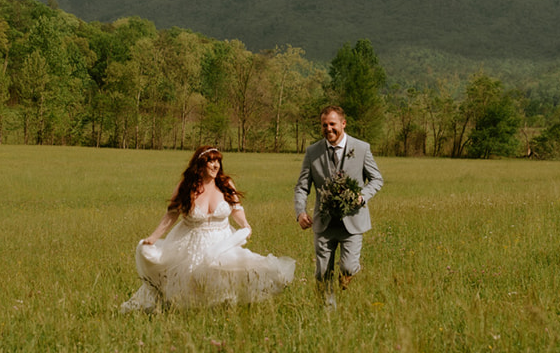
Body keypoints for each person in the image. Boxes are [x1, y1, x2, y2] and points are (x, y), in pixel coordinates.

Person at [121, 146, 296, 312]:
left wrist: (245, 224)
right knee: (192, 278)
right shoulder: (187, 186)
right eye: (211, 161)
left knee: (228, 274)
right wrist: (154, 236)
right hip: (192, 241)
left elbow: (236, 209)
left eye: (218, 161)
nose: (215, 165)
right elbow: (171, 215)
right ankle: (187, 311)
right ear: (200, 165)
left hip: (222, 240)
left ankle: (221, 310)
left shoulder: (225, 184)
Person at [295, 106, 383, 307]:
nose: (328, 129)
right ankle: (328, 312)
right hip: (323, 223)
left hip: (353, 221)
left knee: (349, 267)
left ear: (343, 124)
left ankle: (348, 279)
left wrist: (363, 196)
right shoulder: (312, 152)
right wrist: (300, 212)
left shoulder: (361, 148)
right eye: (324, 125)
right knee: (322, 272)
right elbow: (301, 187)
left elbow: (377, 179)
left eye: (332, 124)